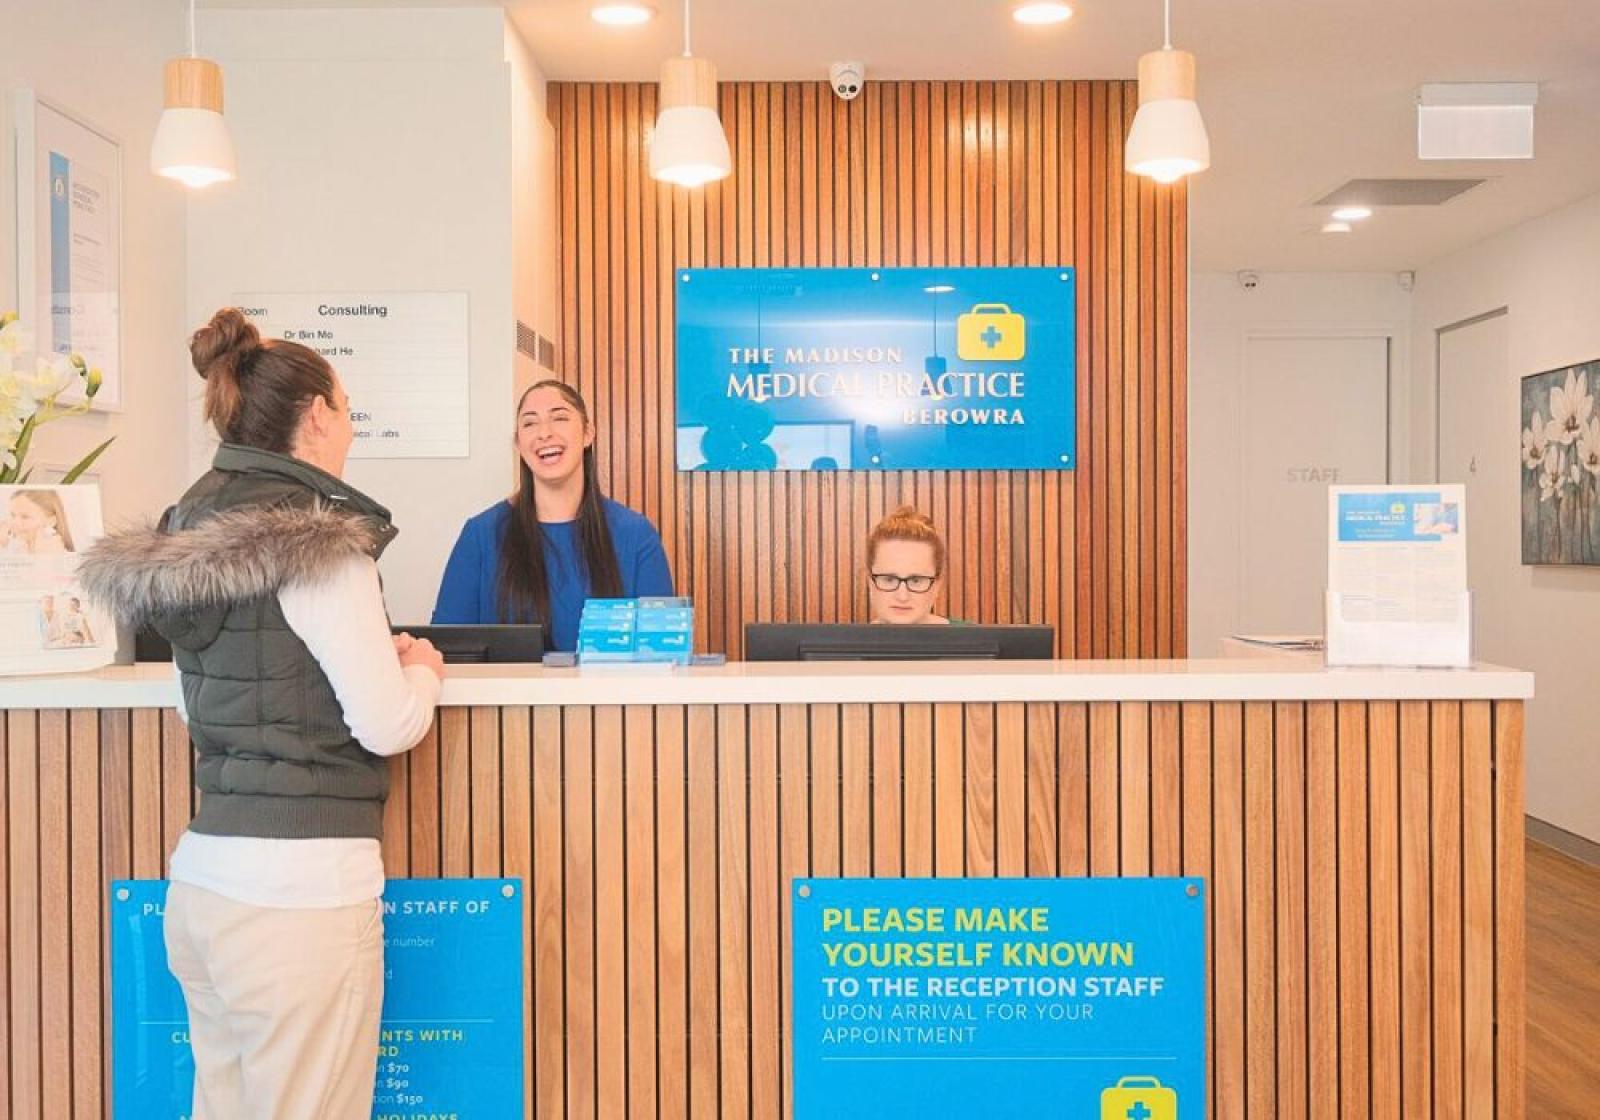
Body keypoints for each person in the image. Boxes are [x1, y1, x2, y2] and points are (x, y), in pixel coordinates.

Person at [79, 307, 445, 1120]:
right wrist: (421, 672)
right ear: (316, 415)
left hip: (205, 888)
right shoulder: (316, 540)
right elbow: (387, 724)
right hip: (302, 898)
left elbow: (199, 700)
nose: (350, 427)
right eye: (347, 408)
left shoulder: (185, 534)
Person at [432, 379, 673, 650]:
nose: (544, 433)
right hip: (508, 694)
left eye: (559, 418)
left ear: (587, 434)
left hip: (607, 694)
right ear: (518, 444)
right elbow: (447, 650)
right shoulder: (480, 534)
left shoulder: (636, 535)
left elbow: (661, 654)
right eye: (530, 423)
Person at [867, 506, 953, 625]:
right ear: (870, 583)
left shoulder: (981, 641)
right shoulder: (847, 642)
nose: (902, 597)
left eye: (916, 580)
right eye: (889, 579)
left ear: (937, 586)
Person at [1, 488, 75, 553]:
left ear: (51, 521)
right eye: (13, 515)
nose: (15, 523)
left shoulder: (53, 549)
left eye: (25, 517)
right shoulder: (17, 547)